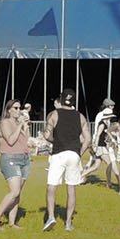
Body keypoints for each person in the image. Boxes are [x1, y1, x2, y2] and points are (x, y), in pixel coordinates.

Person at [42, 90, 88, 231]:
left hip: (58, 153)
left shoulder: (55, 114)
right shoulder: (80, 117)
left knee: (52, 186)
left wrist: (55, 141)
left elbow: (47, 134)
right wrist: (79, 153)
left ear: (61, 100)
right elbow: (88, 139)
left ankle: (51, 217)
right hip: (74, 154)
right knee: (71, 188)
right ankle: (68, 222)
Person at [0, 99, 31, 228]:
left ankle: (12, 222)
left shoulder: (20, 123)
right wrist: (19, 126)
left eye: (19, 108)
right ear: (9, 110)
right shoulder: (5, 122)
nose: (18, 111)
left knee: (18, 193)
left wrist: (25, 127)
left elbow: (26, 141)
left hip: (24, 159)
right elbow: (10, 140)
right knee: (14, 191)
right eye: (15, 108)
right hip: (10, 158)